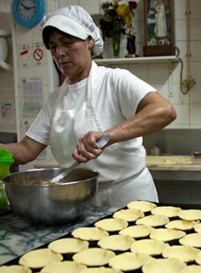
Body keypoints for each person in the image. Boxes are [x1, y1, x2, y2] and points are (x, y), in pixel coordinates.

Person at [0, 5, 177, 208]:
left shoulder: (114, 80)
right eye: (53, 46)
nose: (59, 53)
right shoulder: (55, 100)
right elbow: (26, 149)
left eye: (67, 42)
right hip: (82, 200)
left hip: (128, 196)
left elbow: (165, 111)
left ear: (89, 41)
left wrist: (108, 136)